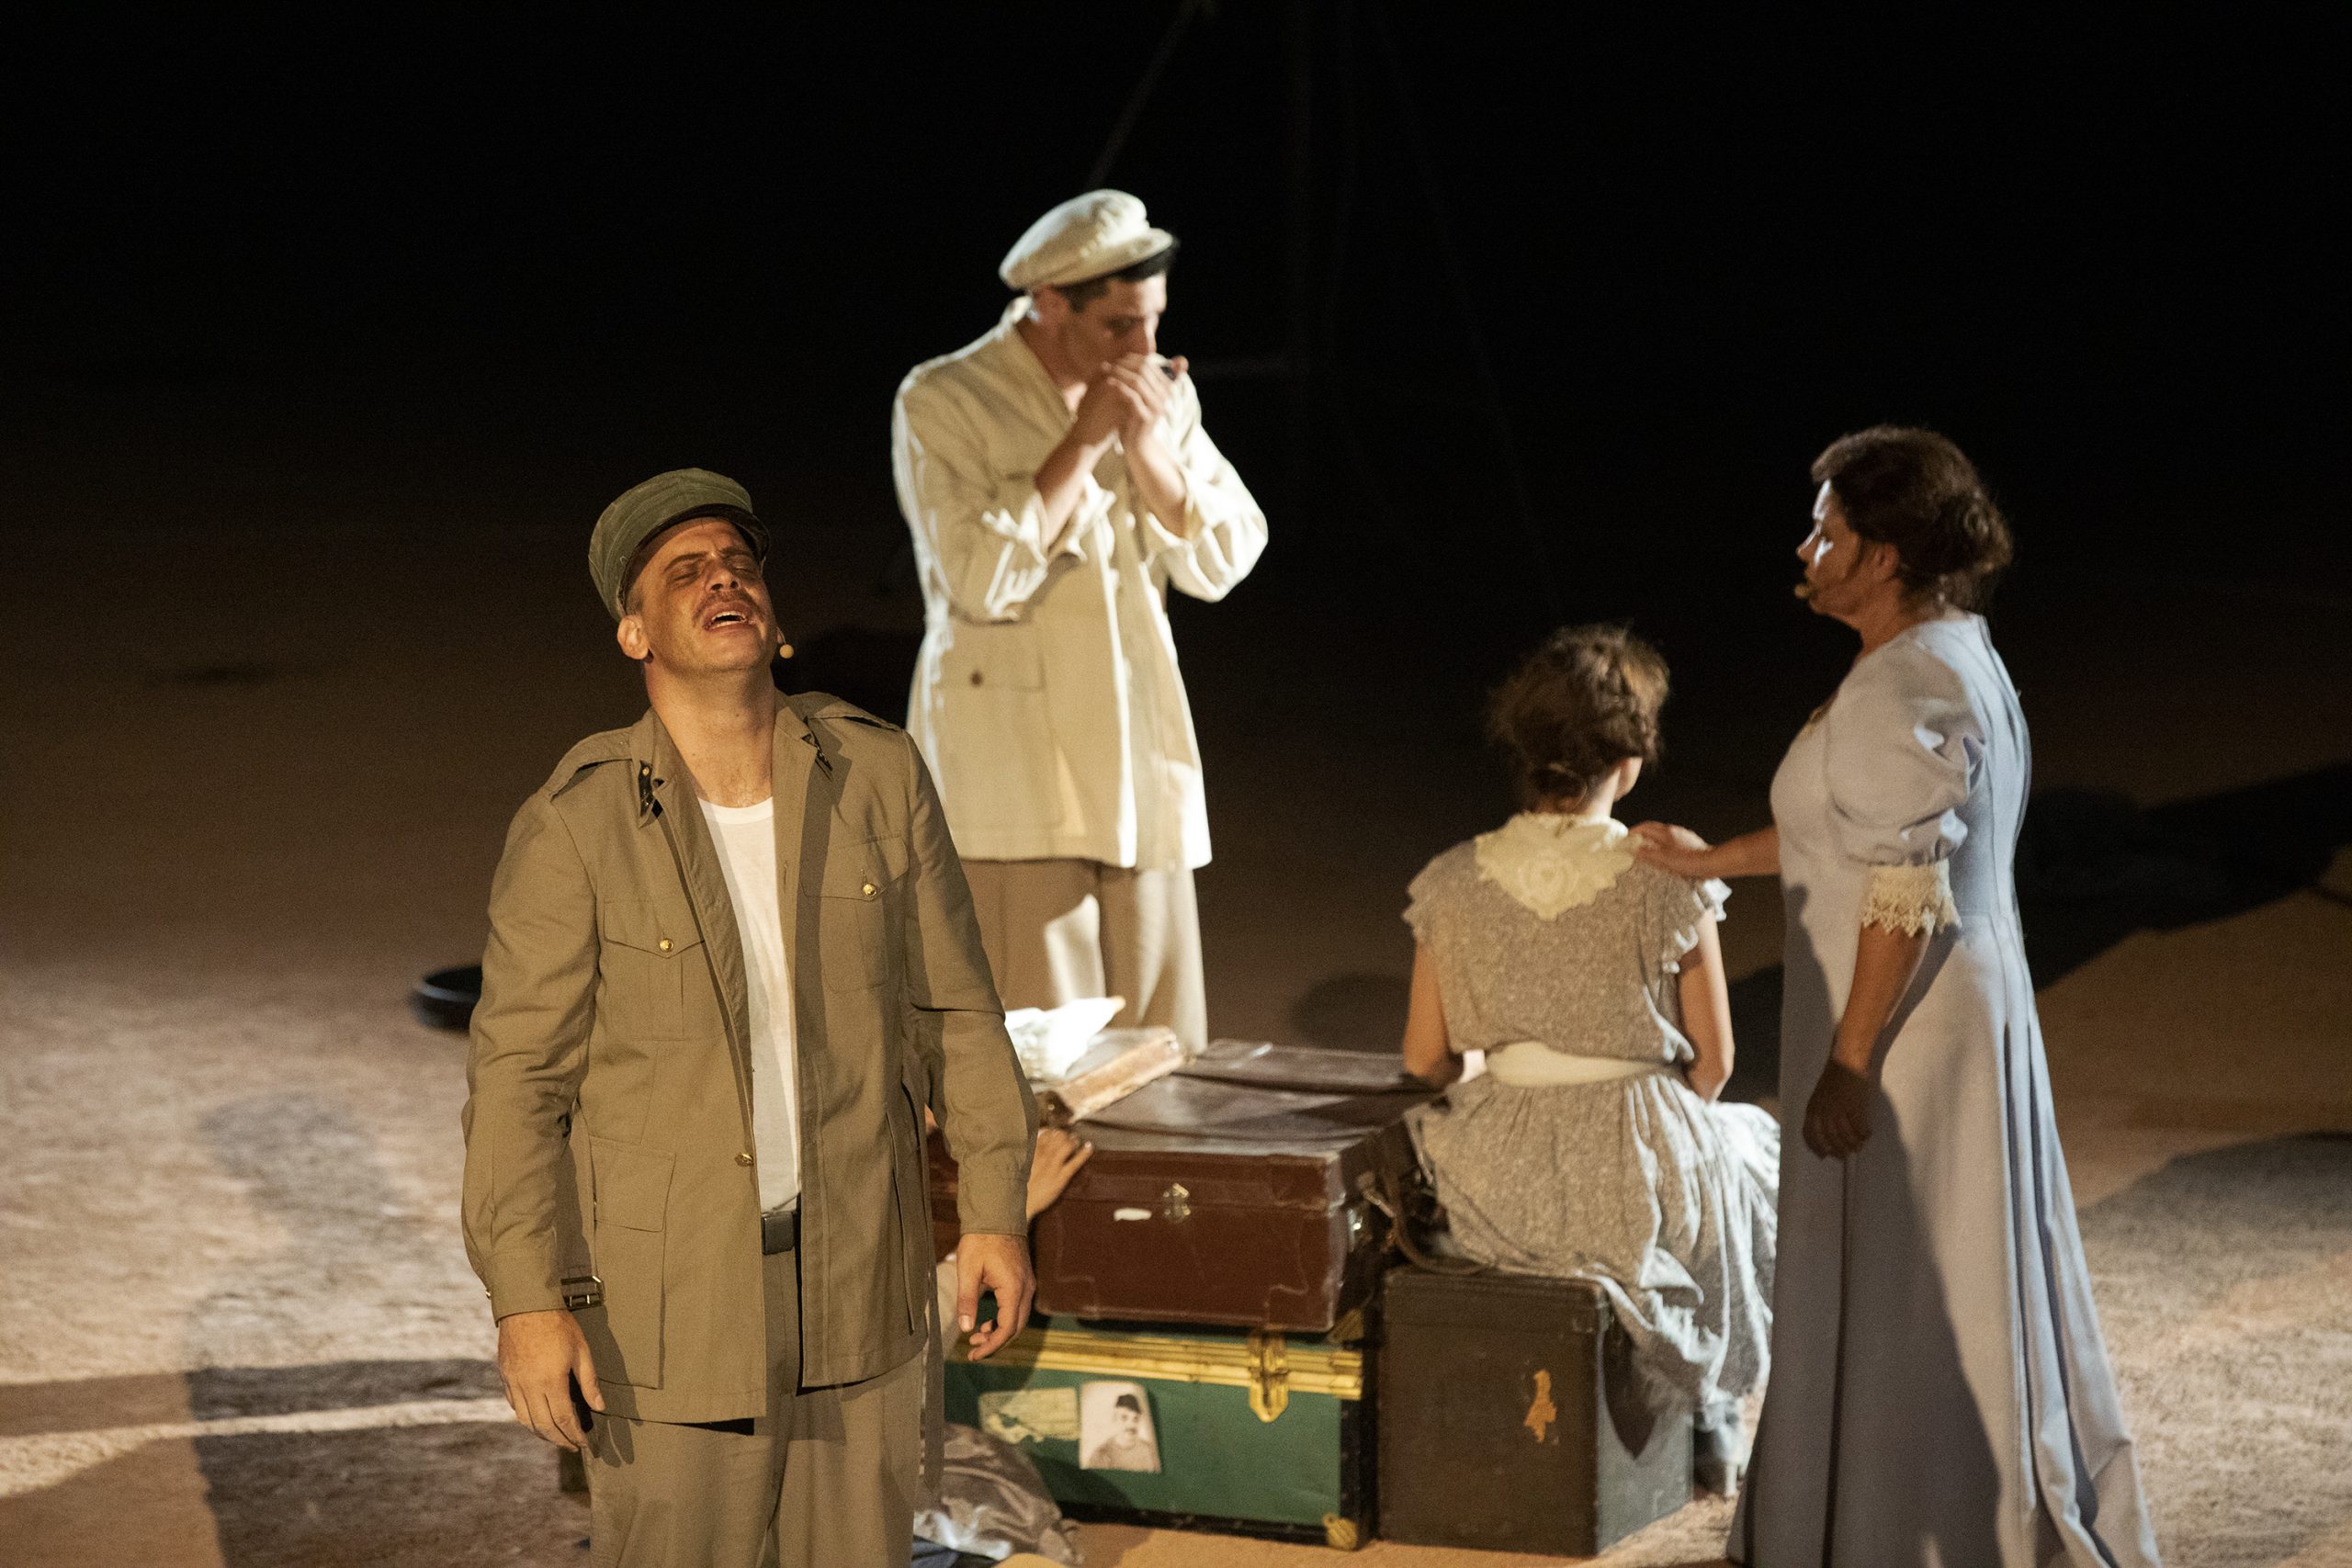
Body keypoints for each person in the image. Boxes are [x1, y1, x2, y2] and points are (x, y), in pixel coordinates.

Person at [462, 468, 1040, 1568]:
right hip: (672, 1302)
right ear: (635, 632)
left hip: (858, 1277)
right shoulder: (576, 824)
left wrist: (994, 1214)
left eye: (737, 564)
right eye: (684, 572)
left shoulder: (877, 773)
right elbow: (517, 1083)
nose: (722, 580)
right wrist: (527, 1303)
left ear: (772, 617)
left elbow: (957, 1010)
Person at [1634, 429, 2161, 1565]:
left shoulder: (1898, 688)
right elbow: (1853, 834)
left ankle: (1905, 1528)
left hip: (1906, 1026)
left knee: (1910, 1276)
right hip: (1956, 1007)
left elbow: (1901, 889)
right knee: (1940, 1266)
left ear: (1880, 556)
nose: (1805, 548)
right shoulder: (1951, 651)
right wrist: (1709, 861)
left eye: (1825, 531)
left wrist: (1851, 1058)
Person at [1398, 625, 1780, 1494]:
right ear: (1629, 761)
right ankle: (1709, 1410)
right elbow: (1715, 1061)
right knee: (1753, 1154)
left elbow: (1424, 1057)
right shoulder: (1667, 867)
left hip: (1504, 1172)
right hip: (1637, 1156)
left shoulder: (1451, 879)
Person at [891, 189, 1270, 1051]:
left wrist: (1148, 450)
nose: (1143, 348)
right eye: (1120, 325)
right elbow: (977, 580)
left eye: (1155, 320)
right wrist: (1085, 442)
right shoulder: (945, 397)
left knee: (1163, 1044)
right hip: (1014, 769)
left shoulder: (1155, 395)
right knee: (1042, 1047)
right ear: (1050, 302)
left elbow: (1228, 555)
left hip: (1136, 757)